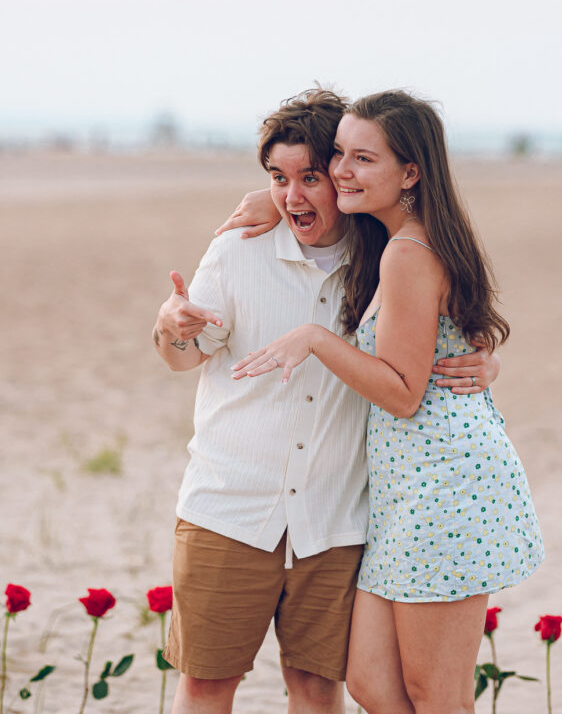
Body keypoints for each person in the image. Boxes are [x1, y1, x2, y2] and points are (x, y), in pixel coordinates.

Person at [152, 88, 501, 714]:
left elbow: (438, 340)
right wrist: (170, 325)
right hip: (231, 508)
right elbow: (185, 354)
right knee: (210, 684)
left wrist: (485, 360)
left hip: (341, 516)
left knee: (324, 688)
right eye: (278, 179)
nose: (294, 195)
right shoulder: (238, 248)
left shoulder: (381, 251)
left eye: (314, 174)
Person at [232, 90, 544, 714]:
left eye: (362, 159)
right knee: (371, 681)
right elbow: (458, 343)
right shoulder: (396, 242)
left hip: (443, 485)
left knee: (437, 695)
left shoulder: (408, 253)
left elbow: (403, 395)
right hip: (404, 493)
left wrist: (316, 339)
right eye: (339, 155)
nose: (343, 171)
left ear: (410, 172)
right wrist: (271, 200)